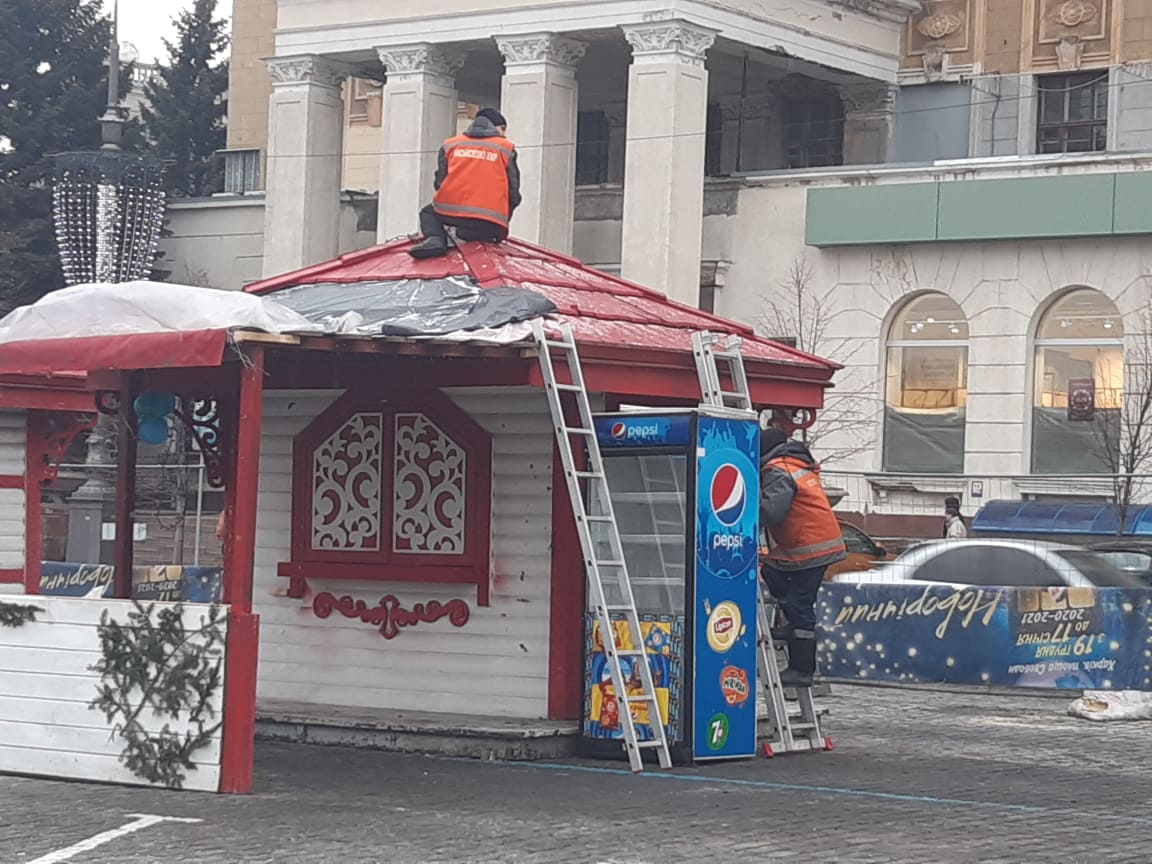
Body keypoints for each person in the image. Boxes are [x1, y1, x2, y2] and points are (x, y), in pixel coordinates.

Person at [759, 427, 847, 687]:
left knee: (800, 605)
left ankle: (802, 669)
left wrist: (740, 514)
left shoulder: (778, 469)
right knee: (773, 572)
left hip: (808, 547)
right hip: (813, 544)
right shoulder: (796, 464)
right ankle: (793, 629)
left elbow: (772, 511)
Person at [408, 108, 522, 259]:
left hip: (453, 216)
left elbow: (440, 182)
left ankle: (435, 239)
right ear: (493, 126)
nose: (504, 134)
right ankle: (464, 234)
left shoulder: (451, 145)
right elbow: (513, 192)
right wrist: (503, 220)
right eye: (503, 129)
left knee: (428, 212)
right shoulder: (505, 148)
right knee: (474, 232)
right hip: (490, 224)